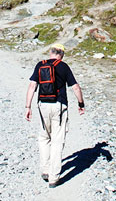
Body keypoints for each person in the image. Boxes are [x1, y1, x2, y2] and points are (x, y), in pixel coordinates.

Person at [24, 44, 85, 187]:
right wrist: (81, 104)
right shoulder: (63, 67)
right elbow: (75, 87)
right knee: (57, 140)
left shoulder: (40, 65)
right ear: (61, 54)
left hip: (42, 105)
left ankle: (45, 170)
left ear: (50, 52)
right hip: (59, 106)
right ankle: (53, 177)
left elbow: (32, 86)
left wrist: (28, 107)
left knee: (44, 137)